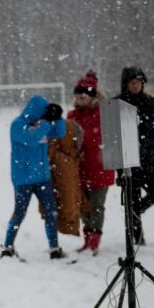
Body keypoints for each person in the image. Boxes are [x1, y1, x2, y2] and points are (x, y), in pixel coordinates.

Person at [0, 96, 67, 259]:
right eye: (42, 115)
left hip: (42, 178)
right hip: (23, 179)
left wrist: (57, 118)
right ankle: (8, 246)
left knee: (51, 211)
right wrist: (45, 123)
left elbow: (60, 132)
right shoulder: (17, 125)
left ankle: (54, 247)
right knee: (19, 213)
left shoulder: (42, 125)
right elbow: (31, 140)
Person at [117, 66, 154, 245]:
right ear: (126, 84)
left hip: (148, 160)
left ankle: (136, 213)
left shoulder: (151, 102)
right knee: (131, 198)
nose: (136, 85)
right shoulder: (118, 104)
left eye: (139, 82)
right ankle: (136, 239)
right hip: (127, 163)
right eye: (132, 82)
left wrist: (152, 151)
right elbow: (113, 136)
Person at [68, 70, 113, 255]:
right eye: (77, 96)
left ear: (91, 96)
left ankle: (94, 240)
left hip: (100, 167)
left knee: (97, 206)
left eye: (83, 95)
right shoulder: (72, 115)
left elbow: (99, 138)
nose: (79, 99)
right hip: (80, 169)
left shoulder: (103, 113)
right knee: (83, 206)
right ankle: (87, 239)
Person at [44, 111, 83, 237]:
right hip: (65, 223)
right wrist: (70, 219)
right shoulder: (64, 160)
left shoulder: (55, 155)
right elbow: (68, 192)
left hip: (60, 215)